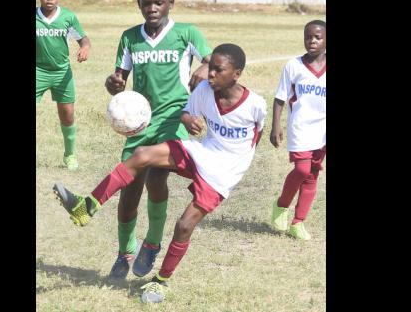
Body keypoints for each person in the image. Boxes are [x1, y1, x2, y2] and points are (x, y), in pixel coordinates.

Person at [53, 43, 267, 303]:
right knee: (142, 154)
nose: (210, 74)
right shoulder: (203, 90)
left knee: (184, 225)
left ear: (237, 73)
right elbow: (188, 112)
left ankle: (160, 282)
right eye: (210, 68)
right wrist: (187, 119)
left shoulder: (255, 104)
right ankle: (86, 208)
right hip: (204, 151)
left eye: (218, 70)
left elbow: (258, 133)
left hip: (226, 170)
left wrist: (241, 158)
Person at [70, 0, 211, 280]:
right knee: (129, 192)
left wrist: (205, 65)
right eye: (146, 2)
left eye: (158, 2)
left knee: (157, 179)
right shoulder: (130, 37)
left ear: (170, 3)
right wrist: (113, 83)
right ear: (138, 4)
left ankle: (152, 243)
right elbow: (118, 80)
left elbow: (214, 62)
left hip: (174, 120)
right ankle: (124, 253)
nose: (152, 8)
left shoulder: (187, 34)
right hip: (140, 123)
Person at [269, 20, 326, 240]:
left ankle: (298, 222)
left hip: (322, 131)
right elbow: (280, 97)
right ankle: (282, 205)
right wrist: (276, 125)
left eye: (318, 37)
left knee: (312, 175)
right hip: (300, 127)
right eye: (308, 37)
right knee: (302, 170)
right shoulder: (294, 65)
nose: (312, 41)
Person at [36, 0, 91, 170]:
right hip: (38, 71)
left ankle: (70, 155)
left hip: (62, 72)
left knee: (67, 115)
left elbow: (84, 40)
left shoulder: (67, 17)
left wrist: (85, 48)